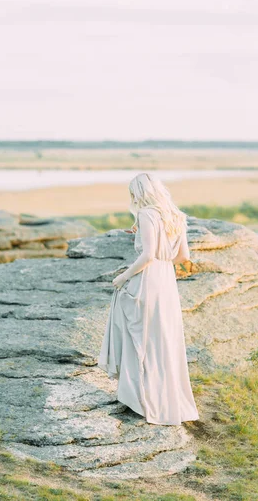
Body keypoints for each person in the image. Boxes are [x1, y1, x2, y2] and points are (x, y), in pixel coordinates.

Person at [97, 172, 199, 425]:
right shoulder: (176, 216)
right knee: (161, 338)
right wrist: (161, 254)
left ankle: (139, 399)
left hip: (148, 279)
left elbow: (147, 256)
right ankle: (163, 398)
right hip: (166, 280)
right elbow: (182, 256)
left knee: (137, 334)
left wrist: (123, 277)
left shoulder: (146, 215)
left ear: (138, 194)